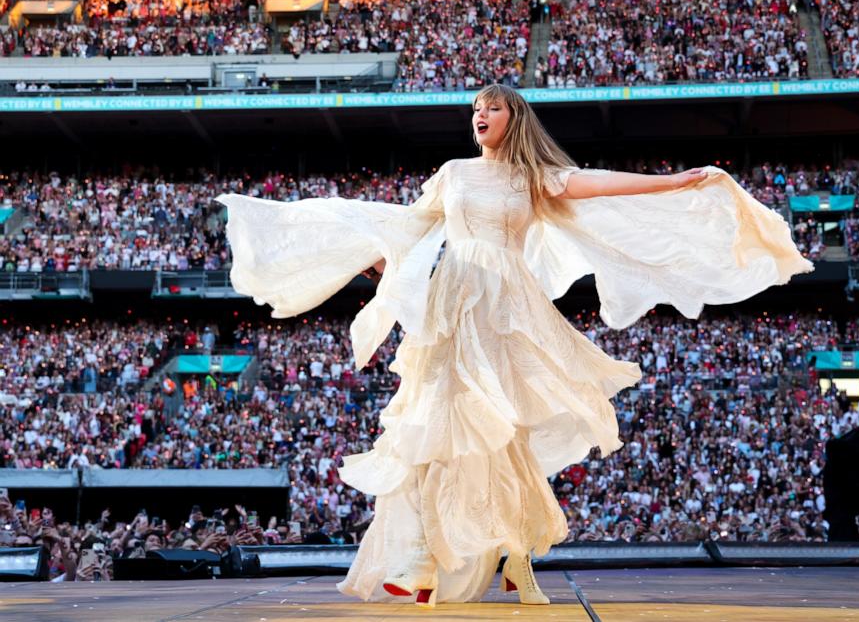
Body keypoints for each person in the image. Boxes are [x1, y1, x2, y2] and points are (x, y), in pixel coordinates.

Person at [215, 84, 814, 606]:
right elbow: (411, 227)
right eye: (476, 107)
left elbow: (597, 184)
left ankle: (517, 556)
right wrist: (378, 261)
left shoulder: (535, 177)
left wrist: (674, 181)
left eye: (492, 107)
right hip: (456, 302)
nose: (480, 114)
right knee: (438, 421)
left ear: (514, 118)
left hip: (511, 306)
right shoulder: (452, 173)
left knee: (508, 435)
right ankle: (426, 553)